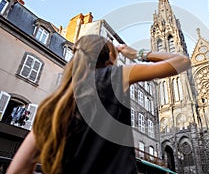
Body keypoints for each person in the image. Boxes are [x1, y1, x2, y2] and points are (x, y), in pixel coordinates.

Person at [7, 35, 191, 174]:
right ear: (109, 58)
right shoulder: (116, 76)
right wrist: (136, 53)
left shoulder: (54, 104)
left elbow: (17, 170)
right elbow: (182, 61)